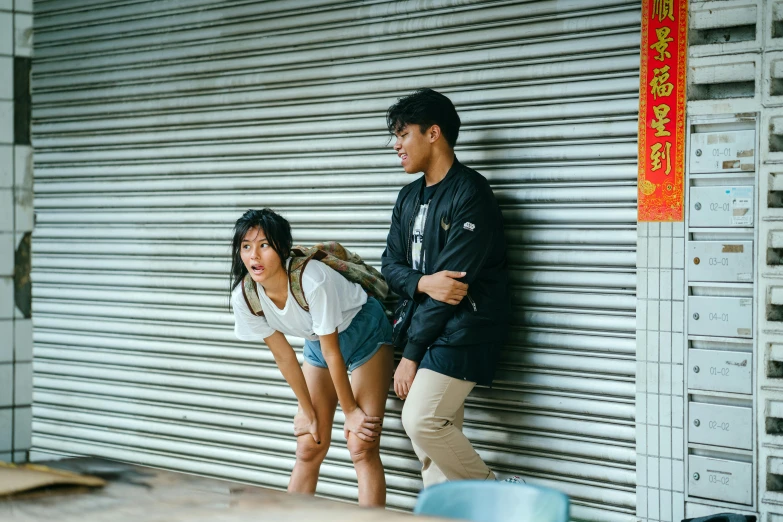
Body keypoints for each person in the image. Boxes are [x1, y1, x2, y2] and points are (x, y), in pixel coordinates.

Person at [381, 88, 510, 487]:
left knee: (422, 421)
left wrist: (411, 355)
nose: (396, 145)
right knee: (433, 454)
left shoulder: (471, 193)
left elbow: (451, 289)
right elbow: (390, 266)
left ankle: (499, 493)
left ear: (433, 133)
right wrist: (422, 281)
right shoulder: (408, 197)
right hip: (424, 326)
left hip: (465, 332)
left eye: (403, 134)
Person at [230, 209, 393, 507]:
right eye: (246, 246)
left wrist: (352, 411)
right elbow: (284, 357)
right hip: (318, 342)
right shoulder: (245, 296)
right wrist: (307, 411)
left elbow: (334, 353)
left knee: (361, 444)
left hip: (363, 331)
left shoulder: (311, 279)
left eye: (264, 245)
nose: (254, 255)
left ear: (281, 247)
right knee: (309, 445)